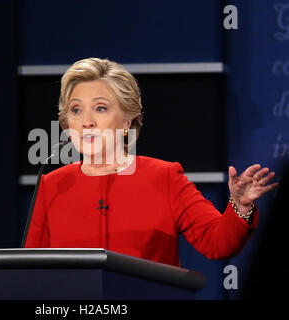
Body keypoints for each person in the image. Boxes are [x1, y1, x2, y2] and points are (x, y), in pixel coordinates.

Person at [24, 57, 279, 267]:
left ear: (127, 122)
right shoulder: (52, 184)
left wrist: (240, 206)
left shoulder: (164, 177)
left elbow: (217, 243)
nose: (86, 121)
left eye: (100, 108)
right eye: (76, 110)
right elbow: (31, 271)